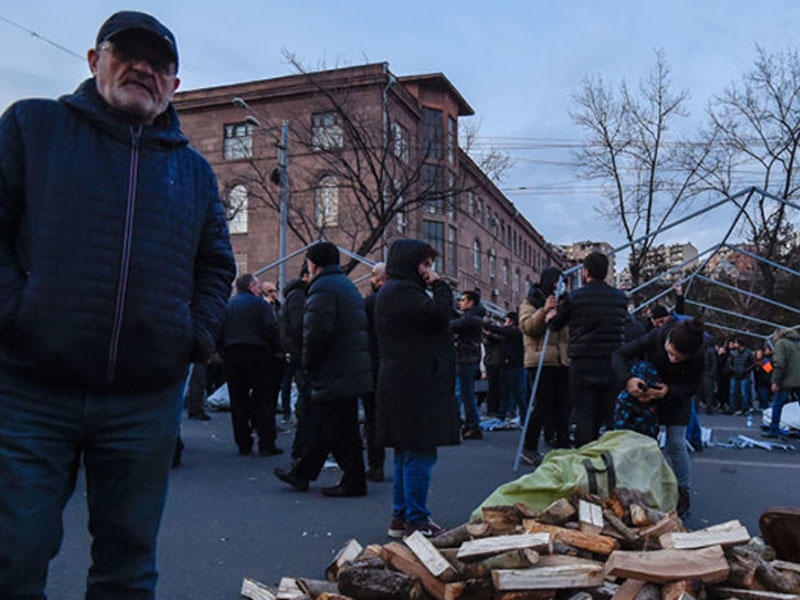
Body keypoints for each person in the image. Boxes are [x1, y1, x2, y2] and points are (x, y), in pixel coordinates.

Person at [0, 11, 236, 598]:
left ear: (174, 86)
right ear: (93, 61)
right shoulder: (34, 126)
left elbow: (216, 266)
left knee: (128, 568)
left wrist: (193, 335)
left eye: (160, 64)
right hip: (32, 390)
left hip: (144, 398)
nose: (143, 69)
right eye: (126, 53)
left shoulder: (196, 172)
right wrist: (15, 313)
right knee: (14, 554)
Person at [375, 239, 461, 537]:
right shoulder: (404, 293)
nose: (429, 271)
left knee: (406, 451)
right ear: (411, 263)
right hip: (415, 382)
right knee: (420, 452)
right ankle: (416, 520)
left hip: (402, 380)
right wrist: (440, 286)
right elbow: (439, 315)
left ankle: (402, 518)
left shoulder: (393, 291)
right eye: (425, 264)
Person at [274, 242, 372, 496]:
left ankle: (352, 480)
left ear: (313, 263)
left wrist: (308, 364)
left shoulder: (323, 288)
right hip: (348, 367)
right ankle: (305, 474)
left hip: (333, 368)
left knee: (335, 427)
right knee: (332, 424)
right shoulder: (345, 285)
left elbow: (316, 333)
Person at [612, 318, 706, 518]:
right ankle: (645, 491)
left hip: (677, 399)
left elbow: (694, 386)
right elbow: (619, 355)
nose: (672, 359)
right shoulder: (656, 335)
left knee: (676, 444)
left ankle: (683, 494)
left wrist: (669, 391)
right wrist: (628, 379)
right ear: (668, 340)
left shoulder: (699, 354)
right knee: (646, 444)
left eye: (678, 358)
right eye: (670, 353)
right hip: (647, 399)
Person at [547, 252, 628, 447]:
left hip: (583, 362)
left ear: (586, 271)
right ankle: (611, 459)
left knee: (583, 413)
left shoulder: (574, 297)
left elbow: (555, 325)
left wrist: (550, 313)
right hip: (611, 362)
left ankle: (586, 460)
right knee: (610, 415)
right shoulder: (620, 298)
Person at [220, 273, 284, 457]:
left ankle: (243, 442)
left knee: (237, 399)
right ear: (251, 287)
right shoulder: (260, 305)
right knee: (264, 398)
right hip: (258, 354)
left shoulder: (228, 305)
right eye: (257, 286)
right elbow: (272, 328)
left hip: (233, 355)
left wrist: (223, 351)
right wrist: (276, 350)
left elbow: (219, 329)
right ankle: (266, 442)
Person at [519, 268, 571, 465]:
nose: (560, 286)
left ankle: (563, 444)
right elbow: (528, 327)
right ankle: (529, 446)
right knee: (542, 405)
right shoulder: (530, 302)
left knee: (563, 405)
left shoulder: (565, 303)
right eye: (557, 282)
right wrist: (544, 311)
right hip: (540, 359)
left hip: (561, 359)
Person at [280, 264, 311, 461]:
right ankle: (302, 453)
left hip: (297, 352)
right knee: (306, 399)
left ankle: (303, 454)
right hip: (301, 353)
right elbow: (300, 326)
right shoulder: (299, 296)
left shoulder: (296, 296)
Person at [363, 261, 387, 482]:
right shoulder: (403, 302)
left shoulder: (369, 303)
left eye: (372, 275)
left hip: (372, 365)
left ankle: (376, 464)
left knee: (372, 418)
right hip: (396, 366)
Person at [451, 290, 486, 440]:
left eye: (463, 300)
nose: (460, 302)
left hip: (466, 358)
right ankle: (470, 424)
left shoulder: (472, 318)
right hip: (466, 358)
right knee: (465, 393)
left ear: (471, 302)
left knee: (466, 393)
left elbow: (456, 325)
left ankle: (472, 425)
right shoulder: (472, 316)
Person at [483, 312, 526, 421]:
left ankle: (522, 416)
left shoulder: (515, 331)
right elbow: (498, 339)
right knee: (504, 393)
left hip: (514, 366)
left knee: (518, 393)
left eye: (506, 320)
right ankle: (502, 414)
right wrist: (489, 335)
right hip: (505, 366)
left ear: (511, 321)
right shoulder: (508, 334)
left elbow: (501, 331)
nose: (504, 323)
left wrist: (486, 325)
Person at [764, 328, 800, 438]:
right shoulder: (796, 343)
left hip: (786, 379)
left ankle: (774, 429)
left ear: (777, 335)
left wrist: (775, 381)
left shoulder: (781, 344)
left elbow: (779, 364)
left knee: (777, 404)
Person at [726, 338, 754, 415]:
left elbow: (753, 364)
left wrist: (745, 371)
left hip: (744, 375)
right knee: (733, 392)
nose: (735, 344)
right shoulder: (733, 353)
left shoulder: (748, 353)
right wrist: (733, 370)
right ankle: (733, 407)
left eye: (736, 343)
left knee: (744, 393)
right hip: (736, 374)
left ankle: (744, 408)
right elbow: (729, 363)